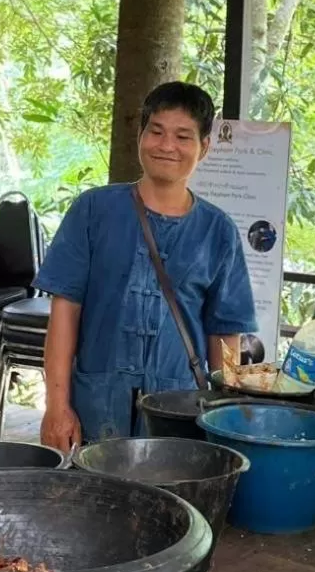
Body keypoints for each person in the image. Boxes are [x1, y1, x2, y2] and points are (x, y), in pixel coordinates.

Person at [37, 82, 256, 450]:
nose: (167, 146)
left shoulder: (218, 231)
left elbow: (225, 334)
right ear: (140, 136)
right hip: (96, 408)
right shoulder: (93, 211)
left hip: (179, 416)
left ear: (204, 147)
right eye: (156, 131)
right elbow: (64, 312)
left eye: (183, 136)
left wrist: (225, 417)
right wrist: (56, 407)